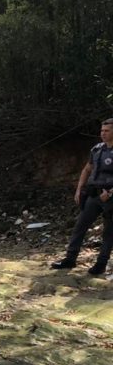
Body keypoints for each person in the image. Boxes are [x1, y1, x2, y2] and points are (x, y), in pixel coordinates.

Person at [51, 118, 113, 275]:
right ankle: (70, 259)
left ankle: (100, 264)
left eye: (107, 131)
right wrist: (79, 189)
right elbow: (87, 169)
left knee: (109, 232)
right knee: (80, 226)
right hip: (94, 195)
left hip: (110, 197)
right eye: (102, 131)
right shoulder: (97, 149)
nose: (103, 134)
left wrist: (110, 193)